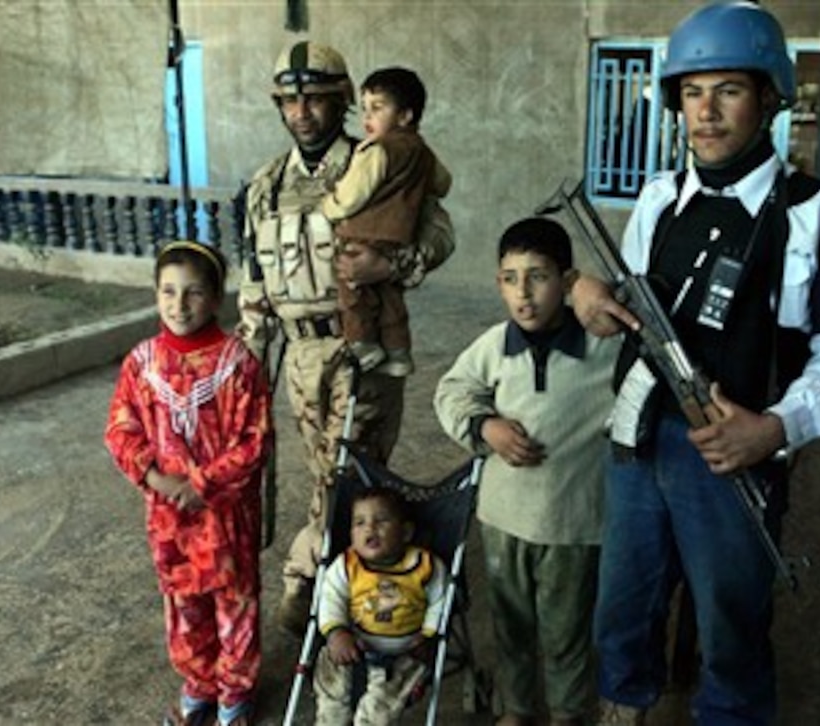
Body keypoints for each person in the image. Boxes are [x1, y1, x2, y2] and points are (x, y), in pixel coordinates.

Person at [570, 2, 820, 724]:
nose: (705, 113)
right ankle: (625, 708)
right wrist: (589, 293)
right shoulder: (659, 197)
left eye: (728, 91)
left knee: (732, 631)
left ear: (770, 97)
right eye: (691, 92)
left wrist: (775, 429)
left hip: (731, 460)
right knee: (622, 608)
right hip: (636, 442)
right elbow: (634, 301)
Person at [236, 40, 455, 634]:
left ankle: (314, 585)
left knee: (349, 476)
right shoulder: (265, 185)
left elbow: (439, 234)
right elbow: (254, 283)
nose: (301, 111)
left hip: (364, 347)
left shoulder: (382, 158)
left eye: (314, 99)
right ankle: (345, 589)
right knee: (324, 476)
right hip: (303, 355)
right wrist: (249, 364)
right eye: (289, 100)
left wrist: (394, 266)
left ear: (341, 101)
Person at [434, 217, 621, 726]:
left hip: (574, 522)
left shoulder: (605, 345)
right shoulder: (494, 345)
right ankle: (515, 710)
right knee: (510, 625)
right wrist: (484, 426)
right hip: (502, 517)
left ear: (568, 280)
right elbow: (451, 391)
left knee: (566, 632)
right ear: (498, 283)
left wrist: (599, 291)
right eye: (511, 278)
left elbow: (643, 309)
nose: (525, 294)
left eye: (539, 276)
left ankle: (567, 712)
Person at [105, 241, 271, 726]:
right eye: (169, 292)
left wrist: (202, 482)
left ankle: (235, 694)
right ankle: (198, 685)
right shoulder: (142, 363)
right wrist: (154, 475)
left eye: (194, 293)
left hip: (225, 516)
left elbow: (254, 440)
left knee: (234, 601)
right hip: (168, 517)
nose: (179, 305)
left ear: (217, 298)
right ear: (156, 295)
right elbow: (120, 428)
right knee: (183, 603)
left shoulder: (238, 363)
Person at [320, 66, 452, 376]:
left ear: (405, 115)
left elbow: (353, 194)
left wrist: (330, 206)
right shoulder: (423, 152)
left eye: (377, 108)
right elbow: (443, 184)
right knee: (389, 298)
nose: (367, 118)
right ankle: (397, 352)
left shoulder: (376, 150)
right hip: (399, 238)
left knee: (353, 291)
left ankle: (363, 345)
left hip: (364, 234)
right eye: (364, 109)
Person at [313, 487, 447, 725]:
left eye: (381, 521)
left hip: (403, 653)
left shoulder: (425, 566)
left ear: (405, 532)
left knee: (379, 711)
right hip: (352, 644)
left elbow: (440, 601)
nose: (370, 528)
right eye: (360, 523)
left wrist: (428, 634)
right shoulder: (346, 565)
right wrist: (336, 632)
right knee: (331, 694)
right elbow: (330, 598)